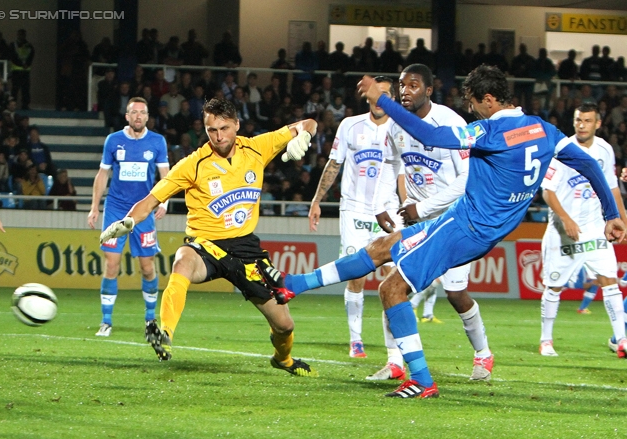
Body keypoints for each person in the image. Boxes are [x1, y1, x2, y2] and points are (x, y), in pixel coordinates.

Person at [257, 65, 625, 399]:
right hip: (478, 225)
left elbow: (426, 134)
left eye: (476, 103)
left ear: (490, 99)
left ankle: (421, 378)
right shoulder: (545, 130)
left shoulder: (491, 131)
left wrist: (380, 97)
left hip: (466, 226)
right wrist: (612, 213)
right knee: (382, 247)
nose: (473, 110)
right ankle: (294, 285)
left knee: (391, 289)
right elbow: (587, 162)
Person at [99, 98, 319, 379]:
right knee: (182, 260)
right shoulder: (193, 164)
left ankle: (283, 359)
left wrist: (305, 135)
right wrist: (128, 220)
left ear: (237, 125)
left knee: (284, 325)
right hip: (206, 246)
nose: (219, 136)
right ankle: (164, 331)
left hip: (246, 249)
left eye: (224, 128)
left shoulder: (257, 147)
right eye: (211, 130)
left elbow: (308, 122)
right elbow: (152, 198)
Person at [365, 63, 494, 382]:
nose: (405, 91)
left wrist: (422, 208)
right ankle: (395, 361)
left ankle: (483, 354)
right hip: (416, 222)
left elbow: (466, 179)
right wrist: (380, 204)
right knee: (393, 285)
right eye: (401, 86)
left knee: (456, 294)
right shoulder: (396, 125)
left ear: (428, 90)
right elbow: (389, 164)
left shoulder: (451, 123)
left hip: (456, 220)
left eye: (412, 85)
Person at [308, 76, 397, 359]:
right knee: (356, 275)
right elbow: (335, 163)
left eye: (385, 95)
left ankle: (395, 347)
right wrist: (317, 200)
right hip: (355, 209)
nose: (379, 100)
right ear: (367, 96)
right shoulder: (350, 125)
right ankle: (356, 340)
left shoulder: (402, 129)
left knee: (397, 277)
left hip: (390, 211)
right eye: (375, 94)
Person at [539, 103, 627, 357]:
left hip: (594, 227)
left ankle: (621, 339)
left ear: (597, 124)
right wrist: (565, 219)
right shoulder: (562, 150)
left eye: (587, 121)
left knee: (610, 281)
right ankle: (546, 340)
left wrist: (621, 219)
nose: (582, 125)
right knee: (554, 286)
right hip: (563, 229)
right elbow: (548, 191)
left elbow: (611, 188)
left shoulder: (605, 150)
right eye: (578, 120)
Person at [87, 97, 170, 337]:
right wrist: (95, 207)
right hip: (115, 209)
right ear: (127, 116)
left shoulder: (157, 141)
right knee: (111, 263)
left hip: (144, 211)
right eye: (134, 112)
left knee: (147, 267)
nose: (138, 116)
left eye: (142, 113)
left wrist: (163, 200)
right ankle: (106, 321)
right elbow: (102, 175)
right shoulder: (114, 141)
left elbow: (166, 175)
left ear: (147, 116)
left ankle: (149, 320)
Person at [9, 29, 34, 110]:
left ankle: (25, 105)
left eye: (23, 34)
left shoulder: (29, 45)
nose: (21, 36)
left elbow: (31, 55)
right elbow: (12, 56)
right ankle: (13, 105)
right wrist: (22, 64)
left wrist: (27, 64)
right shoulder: (13, 45)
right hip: (16, 70)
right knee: (15, 89)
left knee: (25, 90)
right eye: (20, 34)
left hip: (25, 71)